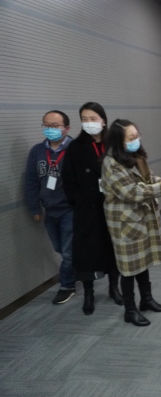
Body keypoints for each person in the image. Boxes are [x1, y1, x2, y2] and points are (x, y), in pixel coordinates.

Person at [101, 119, 161, 326]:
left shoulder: (135, 156)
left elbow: (147, 179)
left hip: (141, 218)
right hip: (125, 223)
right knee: (129, 268)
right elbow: (131, 192)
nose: (136, 140)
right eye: (131, 138)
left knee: (142, 262)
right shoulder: (111, 163)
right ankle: (130, 309)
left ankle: (146, 299)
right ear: (118, 141)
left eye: (137, 136)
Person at [62, 102, 122, 316]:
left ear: (103, 120)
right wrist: (78, 201)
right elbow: (68, 179)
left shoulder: (114, 144)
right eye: (84, 119)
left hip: (113, 206)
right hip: (86, 209)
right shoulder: (75, 146)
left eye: (93, 118)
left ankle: (114, 287)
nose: (89, 123)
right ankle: (89, 293)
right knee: (86, 252)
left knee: (113, 247)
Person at [25, 110, 76, 305]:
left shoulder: (76, 150)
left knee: (68, 252)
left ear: (66, 128)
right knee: (59, 248)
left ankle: (67, 285)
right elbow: (31, 181)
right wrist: (34, 208)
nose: (50, 129)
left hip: (70, 210)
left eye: (55, 126)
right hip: (49, 209)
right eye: (46, 125)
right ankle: (77, 268)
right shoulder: (37, 151)